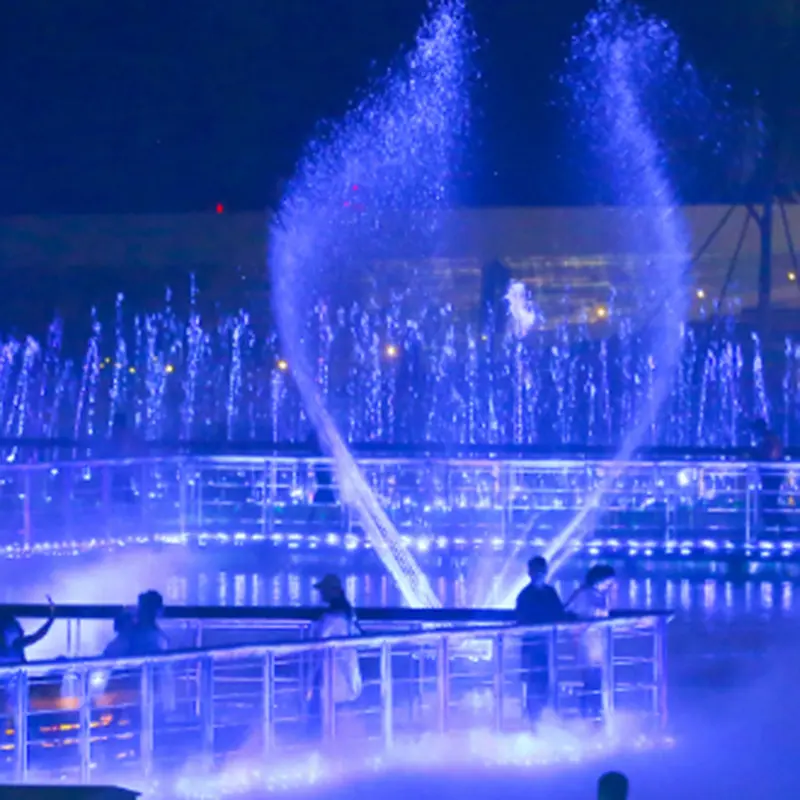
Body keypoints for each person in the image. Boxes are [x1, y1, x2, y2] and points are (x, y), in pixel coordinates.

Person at [306, 574, 363, 735]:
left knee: (323, 715)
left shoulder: (332, 617)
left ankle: (321, 739)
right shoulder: (348, 613)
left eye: (323, 590)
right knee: (338, 713)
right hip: (342, 671)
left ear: (333, 591)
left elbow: (318, 641)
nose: (321, 593)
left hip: (330, 672)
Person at [515, 556, 565, 721]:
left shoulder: (544, 593)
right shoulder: (528, 595)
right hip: (534, 644)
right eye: (537, 571)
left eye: (541, 571)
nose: (539, 575)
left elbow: (559, 614)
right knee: (533, 679)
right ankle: (534, 715)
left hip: (546, 643)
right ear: (530, 572)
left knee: (545, 679)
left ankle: (542, 714)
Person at [566, 564, 617, 720]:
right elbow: (582, 615)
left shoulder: (598, 595)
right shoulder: (585, 594)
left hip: (597, 643)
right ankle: (589, 713)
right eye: (608, 581)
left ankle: (594, 712)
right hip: (587, 643)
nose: (610, 585)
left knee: (596, 680)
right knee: (590, 680)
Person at [0, 596, 56, 664]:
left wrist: (51, 618)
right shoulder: (15, 644)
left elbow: (38, 635)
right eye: (14, 628)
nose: (21, 630)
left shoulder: (18, 644)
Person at [753, 418, 784, 532]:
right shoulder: (770, 438)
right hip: (772, 474)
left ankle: (776, 525)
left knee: (769, 501)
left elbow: (769, 456)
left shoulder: (769, 440)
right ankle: (776, 526)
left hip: (771, 475)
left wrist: (757, 457)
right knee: (770, 500)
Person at [128, 590, 169, 655]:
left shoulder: (160, 639)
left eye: (144, 607)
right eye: (140, 607)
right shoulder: (128, 633)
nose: (139, 611)